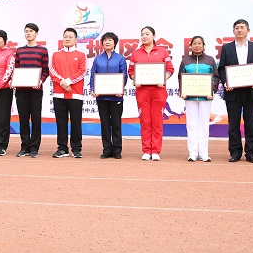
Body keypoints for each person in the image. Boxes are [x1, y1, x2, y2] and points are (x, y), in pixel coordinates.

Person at [217, 19, 253, 163]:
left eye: (242, 27)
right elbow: (222, 68)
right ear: (233, 31)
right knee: (233, 124)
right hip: (233, 91)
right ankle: (235, 152)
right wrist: (226, 82)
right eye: (236, 28)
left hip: (251, 91)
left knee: (251, 124)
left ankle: (251, 152)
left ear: (248, 30)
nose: (239, 30)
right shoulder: (227, 48)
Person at [129, 26, 174, 161]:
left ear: (154, 36)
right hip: (142, 91)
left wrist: (163, 79)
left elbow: (170, 69)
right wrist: (135, 79)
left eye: (147, 34)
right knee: (145, 121)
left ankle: (155, 151)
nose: (144, 36)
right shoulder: (135, 53)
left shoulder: (162, 52)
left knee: (157, 121)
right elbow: (131, 71)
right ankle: (146, 150)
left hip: (158, 91)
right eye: (142, 34)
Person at [179, 36, 219, 162]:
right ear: (190, 46)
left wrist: (212, 90)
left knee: (203, 125)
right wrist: (182, 91)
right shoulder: (185, 60)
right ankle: (192, 153)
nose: (197, 46)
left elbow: (216, 77)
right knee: (191, 125)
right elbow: (181, 77)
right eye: (194, 43)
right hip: (190, 97)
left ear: (203, 46)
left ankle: (203, 153)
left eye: (199, 43)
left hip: (205, 97)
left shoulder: (210, 60)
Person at [49, 28, 86, 158]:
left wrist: (68, 81)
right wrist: (62, 83)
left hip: (75, 94)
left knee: (76, 122)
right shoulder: (56, 55)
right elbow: (52, 71)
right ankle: (62, 148)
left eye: (70, 37)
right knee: (61, 122)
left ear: (76, 40)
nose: (68, 39)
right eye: (66, 37)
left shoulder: (81, 55)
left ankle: (76, 148)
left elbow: (82, 71)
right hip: (59, 94)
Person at [89, 32, 127, 159]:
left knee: (116, 124)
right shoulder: (98, 59)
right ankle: (107, 149)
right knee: (104, 124)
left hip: (116, 97)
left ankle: (117, 150)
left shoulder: (120, 59)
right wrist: (93, 89)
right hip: (101, 97)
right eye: (105, 40)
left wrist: (120, 89)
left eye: (110, 40)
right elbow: (93, 75)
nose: (107, 42)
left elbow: (124, 75)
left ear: (114, 43)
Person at [14, 23, 49, 158]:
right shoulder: (19, 50)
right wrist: (14, 81)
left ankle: (34, 148)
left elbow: (45, 70)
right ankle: (24, 147)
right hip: (21, 90)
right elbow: (16, 69)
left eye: (31, 31)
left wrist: (40, 81)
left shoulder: (42, 50)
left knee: (35, 118)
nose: (28, 33)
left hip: (36, 90)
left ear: (36, 34)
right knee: (23, 119)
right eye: (26, 31)